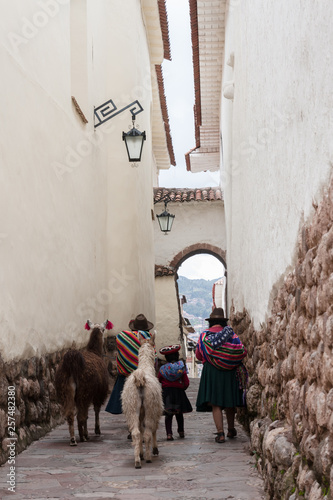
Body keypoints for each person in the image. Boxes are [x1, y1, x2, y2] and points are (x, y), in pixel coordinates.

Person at [195, 308, 248, 443]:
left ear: (211, 322)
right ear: (223, 322)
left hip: (212, 372)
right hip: (230, 372)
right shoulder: (232, 335)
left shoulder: (204, 336)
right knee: (229, 401)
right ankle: (231, 429)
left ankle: (220, 433)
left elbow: (199, 355)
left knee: (216, 403)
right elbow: (242, 351)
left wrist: (213, 357)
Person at [105, 314, 154, 417]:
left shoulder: (122, 336)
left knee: (122, 384)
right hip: (144, 374)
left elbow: (120, 351)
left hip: (126, 374)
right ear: (146, 328)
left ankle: (124, 410)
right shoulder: (148, 337)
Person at [158, 344, 192, 441]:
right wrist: (182, 387)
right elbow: (186, 382)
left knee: (168, 414)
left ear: (166, 358)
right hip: (179, 393)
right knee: (179, 413)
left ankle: (169, 434)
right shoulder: (181, 367)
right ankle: (181, 431)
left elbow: (159, 379)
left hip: (167, 393)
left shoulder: (163, 369)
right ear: (177, 356)